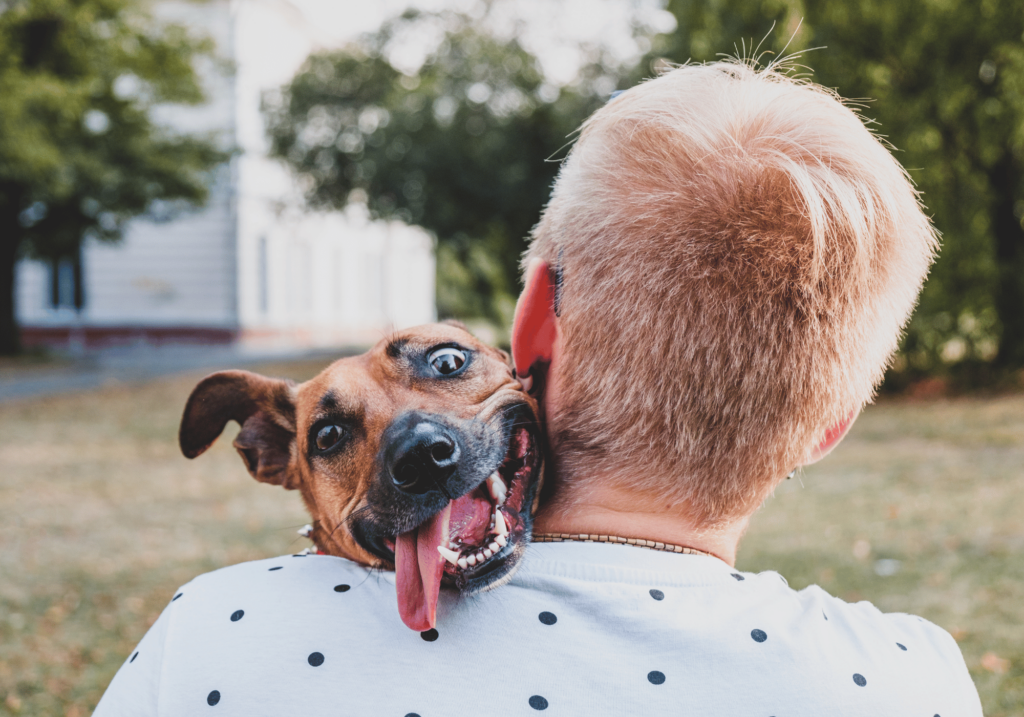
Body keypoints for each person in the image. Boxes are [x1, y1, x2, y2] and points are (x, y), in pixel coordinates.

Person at [93, 62, 982, 716]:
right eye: (333, 435)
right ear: (832, 424)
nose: (417, 437)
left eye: (443, 365)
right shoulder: (913, 678)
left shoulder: (213, 634)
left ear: (529, 329)